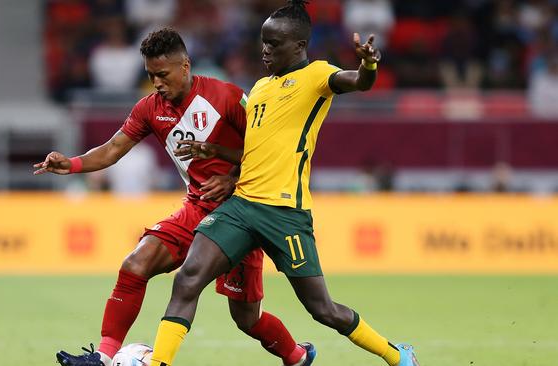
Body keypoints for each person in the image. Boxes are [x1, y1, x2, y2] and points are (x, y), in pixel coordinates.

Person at [148, 1, 420, 366]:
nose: (265, 50)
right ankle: (158, 362)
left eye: (273, 44)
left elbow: (358, 81)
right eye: (263, 42)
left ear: (298, 45)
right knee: (188, 279)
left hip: (285, 214)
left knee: (322, 309)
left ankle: (396, 354)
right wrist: (214, 149)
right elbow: (256, 151)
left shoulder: (317, 76)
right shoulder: (259, 88)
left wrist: (369, 64)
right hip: (242, 207)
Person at [33, 28, 314, 366]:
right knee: (135, 264)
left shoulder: (226, 96)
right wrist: (73, 163)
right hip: (196, 208)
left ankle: (297, 357)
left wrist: (231, 178)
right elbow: (112, 149)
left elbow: (267, 150)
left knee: (246, 318)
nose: (157, 83)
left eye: (163, 75)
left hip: (242, 212)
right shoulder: (150, 108)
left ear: (185, 66)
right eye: (151, 75)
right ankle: (103, 357)